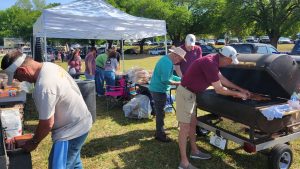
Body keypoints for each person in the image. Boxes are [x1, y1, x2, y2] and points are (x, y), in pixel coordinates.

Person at [1, 50, 92, 168]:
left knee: (58, 165)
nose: (20, 81)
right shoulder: (49, 66)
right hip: (80, 123)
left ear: (23, 70)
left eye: (18, 77)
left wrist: (34, 142)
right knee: (73, 163)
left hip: (71, 131)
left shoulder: (44, 86)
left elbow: (47, 123)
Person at [176, 46, 251, 169]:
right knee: (184, 127)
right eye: (231, 60)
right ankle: (184, 163)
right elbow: (220, 89)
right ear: (226, 58)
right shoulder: (210, 63)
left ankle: (194, 151)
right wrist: (238, 94)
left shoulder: (213, 60)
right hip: (185, 94)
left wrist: (241, 89)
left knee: (193, 123)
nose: (231, 63)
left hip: (191, 95)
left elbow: (222, 79)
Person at [149, 47, 186, 142]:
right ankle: (160, 135)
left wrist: (180, 79)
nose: (178, 61)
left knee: (160, 112)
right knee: (160, 113)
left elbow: (170, 76)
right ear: (175, 55)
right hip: (158, 90)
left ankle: (159, 131)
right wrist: (178, 83)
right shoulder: (167, 62)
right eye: (179, 59)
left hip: (157, 89)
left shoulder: (166, 60)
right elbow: (165, 80)